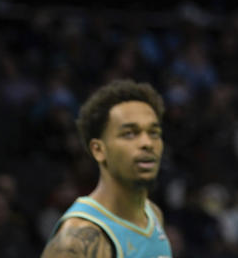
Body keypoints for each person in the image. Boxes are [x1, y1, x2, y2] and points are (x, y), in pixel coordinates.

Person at [41, 79, 171, 258]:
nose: (147, 143)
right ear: (99, 150)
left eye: (153, 133)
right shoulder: (77, 238)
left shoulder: (154, 214)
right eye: (130, 133)